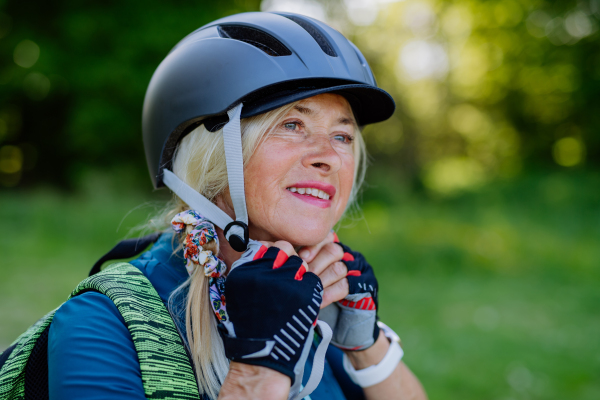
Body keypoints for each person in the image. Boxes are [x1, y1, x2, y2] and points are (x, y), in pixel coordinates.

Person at [47, 11, 428, 400]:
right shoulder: (101, 324)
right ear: (209, 155)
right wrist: (260, 364)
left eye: (342, 135)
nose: (328, 157)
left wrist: (364, 345)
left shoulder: (315, 301)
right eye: (292, 125)